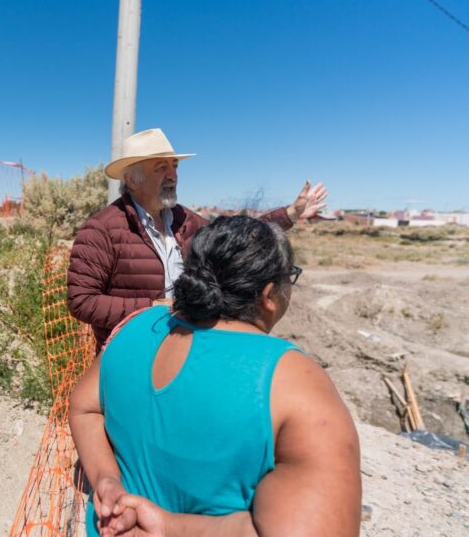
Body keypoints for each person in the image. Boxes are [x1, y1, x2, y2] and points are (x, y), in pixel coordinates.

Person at [69, 215, 361, 537]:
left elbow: (84, 407)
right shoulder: (293, 377)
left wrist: (107, 480)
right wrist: (166, 527)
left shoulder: (138, 324)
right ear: (268, 294)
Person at [67, 128, 328, 351]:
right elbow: (82, 302)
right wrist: (155, 307)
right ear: (131, 179)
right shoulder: (102, 229)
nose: (172, 176)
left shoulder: (186, 220)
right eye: (161, 168)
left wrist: (290, 214)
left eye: (175, 166)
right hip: (130, 355)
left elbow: (232, 239)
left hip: (182, 351)